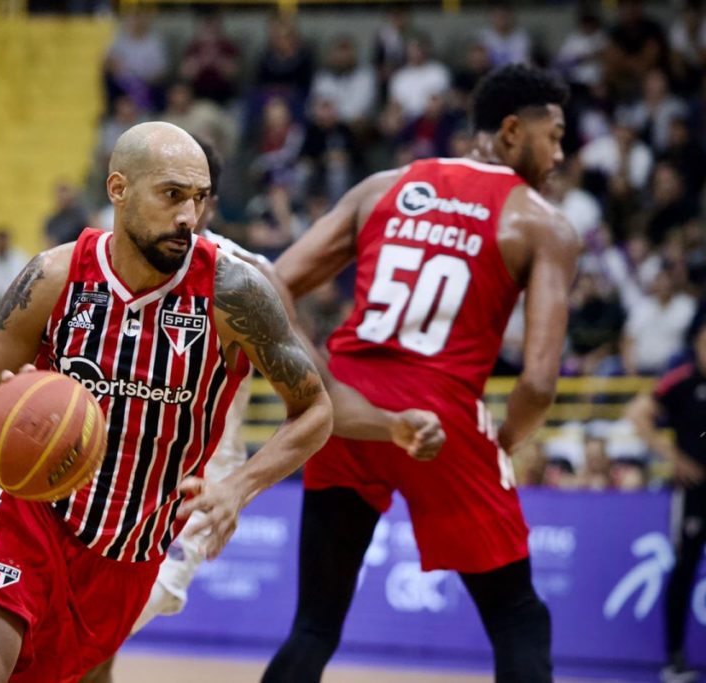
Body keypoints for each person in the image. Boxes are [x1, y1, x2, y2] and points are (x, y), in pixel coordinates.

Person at [0, 122, 334, 683]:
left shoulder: (232, 293)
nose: (188, 216)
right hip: (24, 519)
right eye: (172, 196)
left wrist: (238, 487)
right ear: (118, 189)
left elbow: (315, 411)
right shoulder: (55, 275)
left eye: (198, 199)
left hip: (127, 556)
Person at [81, 138, 444, 683]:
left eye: (187, 193)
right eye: (163, 189)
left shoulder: (244, 277)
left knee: (85, 642)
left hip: (191, 495)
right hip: (104, 485)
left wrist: (390, 425)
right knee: (89, 652)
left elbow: (317, 400)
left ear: (205, 200)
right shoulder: (90, 267)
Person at [263, 64, 580, 683]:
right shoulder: (543, 223)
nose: (561, 154)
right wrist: (504, 441)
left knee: (314, 626)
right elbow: (539, 383)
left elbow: (269, 284)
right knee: (519, 618)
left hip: (347, 411)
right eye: (556, 135)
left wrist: (317, 384)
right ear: (513, 132)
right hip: (443, 420)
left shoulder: (383, 185)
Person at [627, 321, 706, 683]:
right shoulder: (681, 381)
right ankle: (674, 658)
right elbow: (638, 414)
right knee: (684, 569)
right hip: (693, 494)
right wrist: (673, 457)